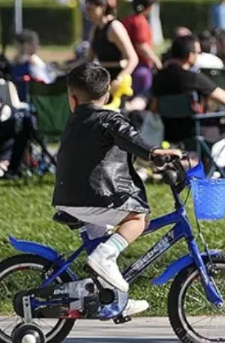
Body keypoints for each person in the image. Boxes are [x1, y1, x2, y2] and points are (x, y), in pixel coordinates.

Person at [52, 62, 183, 314]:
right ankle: (104, 258)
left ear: (72, 99)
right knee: (139, 217)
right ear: (107, 95)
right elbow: (128, 137)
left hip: (67, 197)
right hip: (94, 196)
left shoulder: (74, 121)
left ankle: (113, 301)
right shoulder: (108, 119)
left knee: (102, 241)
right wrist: (154, 152)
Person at [150, 35, 225, 178]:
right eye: (198, 53)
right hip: (194, 132)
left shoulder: (158, 77)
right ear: (190, 56)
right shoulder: (192, 78)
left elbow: (153, 108)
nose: (198, 56)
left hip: (169, 132)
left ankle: (206, 167)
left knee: (204, 124)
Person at [83, 0, 138, 92]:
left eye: (91, 9)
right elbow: (88, 60)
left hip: (116, 84)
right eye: (87, 9)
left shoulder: (114, 28)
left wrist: (119, 79)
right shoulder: (95, 29)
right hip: (101, 83)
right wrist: (66, 67)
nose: (88, 13)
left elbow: (133, 59)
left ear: (102, 7)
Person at [121, 0, 162, 96]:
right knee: (141, 98)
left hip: (126, 66)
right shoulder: (140, 22)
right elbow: (141, 46)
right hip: (140, 68)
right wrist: (156, 61)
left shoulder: (126, 20)